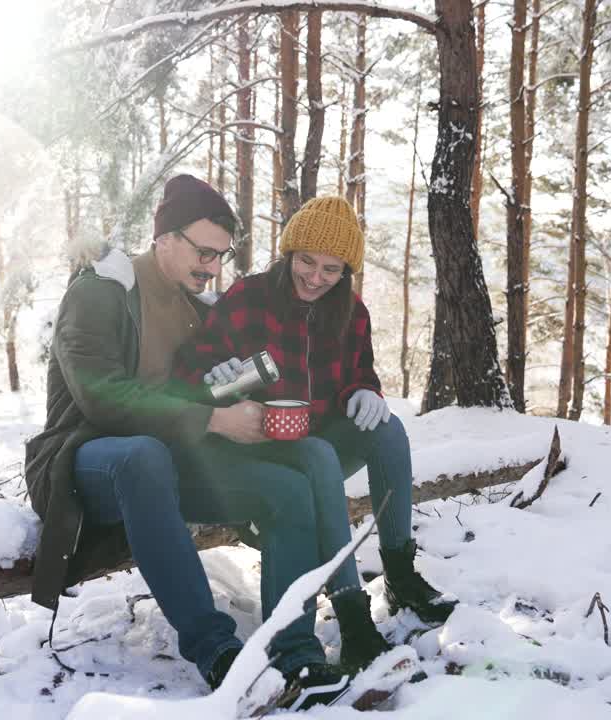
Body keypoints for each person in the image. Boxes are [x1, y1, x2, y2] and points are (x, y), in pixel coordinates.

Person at [24, 175, 350, 695]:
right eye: (204, 252)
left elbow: (198, 392)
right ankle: (216, 650)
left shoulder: (202, 310)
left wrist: (239, 395)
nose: (213, 266)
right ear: (164, 238)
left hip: (171, 465)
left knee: (286, 491)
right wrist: (210, 419)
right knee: (144, 456)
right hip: (85, 458)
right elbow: (102, 397)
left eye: (221, 256)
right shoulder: (99, 293)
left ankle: (295, 653)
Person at [175, 195, 457, 672]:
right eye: (307, 261)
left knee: (389, 432)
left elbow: (358, 375)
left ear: (345, 272)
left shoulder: (351, 312)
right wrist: (215, 375)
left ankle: (401, 575)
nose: (316, 277)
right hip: (256, 448)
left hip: (316, 440)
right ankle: (352, 615)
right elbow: (191, 372)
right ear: (289, 254)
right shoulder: (249, 297)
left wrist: (368, 390)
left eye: (332, 269)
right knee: (321, 454)